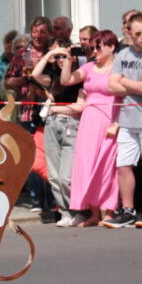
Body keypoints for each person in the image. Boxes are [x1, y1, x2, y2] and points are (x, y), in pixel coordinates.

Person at [56, 30, 120, 226]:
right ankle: (94, 213)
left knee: (107, 166)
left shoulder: (118, 69)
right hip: (89, 120)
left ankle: (109, 211)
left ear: (111, 47)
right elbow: (66, 81)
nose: (95, 51)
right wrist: (67, 61)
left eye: (99, 47)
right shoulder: (89, 67)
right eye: (92, 47)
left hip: (110, 117)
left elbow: (125, 98)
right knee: (87, 164)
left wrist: (116, 124)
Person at [104, 12, 142, 228]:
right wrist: (134, 84)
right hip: (127, 120)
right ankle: (128, 210)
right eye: (139, 33)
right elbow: (111, 85)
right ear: (130, 33)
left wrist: (123, 80)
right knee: (123, 166)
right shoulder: (123, 55)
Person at [32, 38, 83, 225]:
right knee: (53, 175)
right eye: (58, 57)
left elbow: (79, 107)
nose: (61, 60)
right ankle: (65, 212)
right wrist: (48, 55)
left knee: (66, 177)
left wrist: (57, 109)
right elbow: (36, 75)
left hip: (70, 125)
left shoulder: (78, 78)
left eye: (64, 56)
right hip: (52, 125)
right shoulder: (53, 78)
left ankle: (77, 210)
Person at [4, 17, 53, 208]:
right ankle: (37, 200)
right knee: (31, 157)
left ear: (49, 33)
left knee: (49, 155)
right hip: (28, 110)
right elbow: (8, 81)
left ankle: (52, 199)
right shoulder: (23, 55)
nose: (38, 35)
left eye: (42, 32)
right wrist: (26, 79)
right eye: (35, 31)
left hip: (51, 110)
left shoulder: (53, 52)